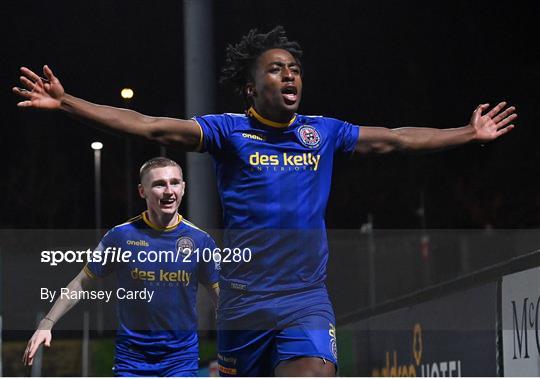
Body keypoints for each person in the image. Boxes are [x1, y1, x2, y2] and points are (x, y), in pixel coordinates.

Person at [14, 26, 516, 376]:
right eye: (276, 70)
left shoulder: (323, 133)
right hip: (243, 306)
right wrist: (68, 103)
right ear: (251, 87)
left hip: (305, 299)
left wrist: (467, 133)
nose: (290, 76)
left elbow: (399, 138)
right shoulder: (229, 133)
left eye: (295, 69)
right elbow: (146, 124)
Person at [22, 157, 220, 377]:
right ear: (142, 191)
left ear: (183, 188)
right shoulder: (121, 236)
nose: (168, 191)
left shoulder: (201, 241)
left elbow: (220, 297)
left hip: (180, 360)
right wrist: (46, 323)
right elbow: (81, 283)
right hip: (131, 359)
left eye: (174, 182)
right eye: (159, 184)